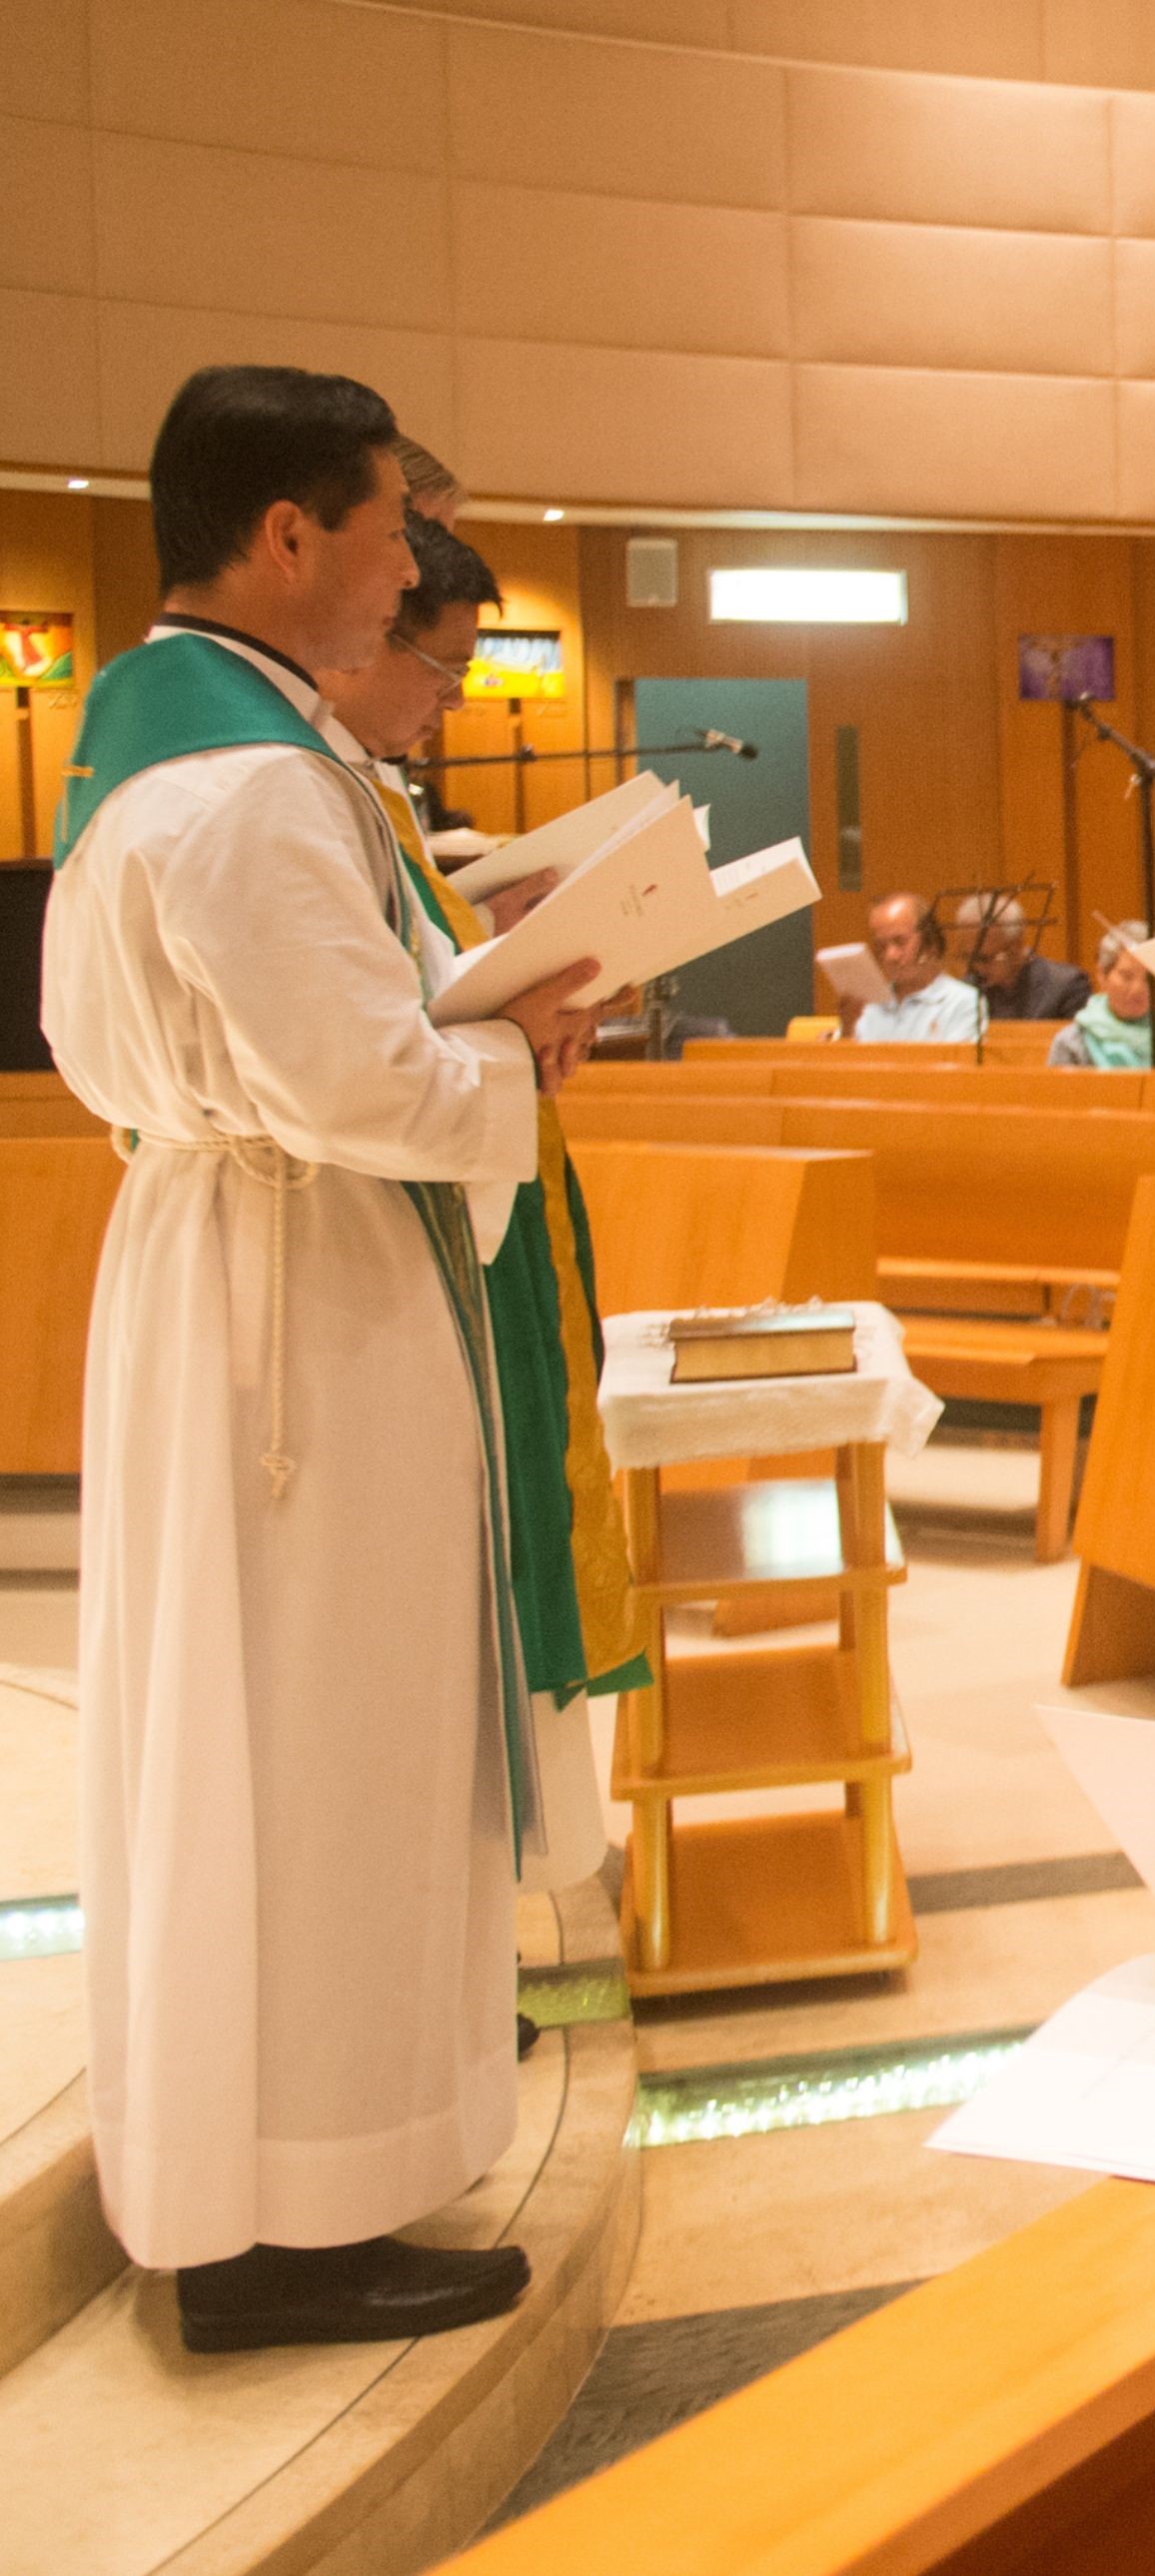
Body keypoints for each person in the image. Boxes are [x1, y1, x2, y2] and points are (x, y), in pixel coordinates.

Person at [42, 364, 606, 2351]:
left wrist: (463, 1015)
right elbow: (358, 1075)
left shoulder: (145, 745)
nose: (402, 577)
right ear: (288, 538)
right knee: (319, 1740)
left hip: (251, 1261)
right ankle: (286, 2216)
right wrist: (514, 1045)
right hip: (307, 1299)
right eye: (382, 533)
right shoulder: (255, 786)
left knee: (271, 1732)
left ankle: (271, 2170)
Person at [315, 511, 638, 1930]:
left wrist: (516, 967)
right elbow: (368, 1048)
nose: (450, 706)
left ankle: (477, 1905)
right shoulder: (293, 791)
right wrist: (509, 997)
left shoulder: (364, 792)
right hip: (392, 1238)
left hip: (478, 1195)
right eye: (439, 668)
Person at [1047, 921, 1155, 1069]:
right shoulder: (1070, 1044)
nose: (1138, 989)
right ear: (1102, 975)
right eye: (1126, 976)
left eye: (1149, 978)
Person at [850, 891, 981, 1041]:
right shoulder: (870, 1005)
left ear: (929, 942)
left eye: (900, 942)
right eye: (880, 946)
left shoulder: (963, 1001)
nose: (890, 956)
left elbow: (957, 1061)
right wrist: (846, 1032)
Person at [961, 887, 1090, 1023]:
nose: (976, 967)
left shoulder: (1066, 986)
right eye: (968, 957)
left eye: (983, 958)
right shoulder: (968, 988)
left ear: (1015, 947)